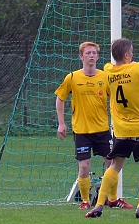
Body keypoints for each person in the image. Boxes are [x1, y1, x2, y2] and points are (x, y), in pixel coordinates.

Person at [85, 38, 139, 219]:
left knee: (115, 166)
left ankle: (99, 204)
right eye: (131, 52)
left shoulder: (108, 71)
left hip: (122, 129)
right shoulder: (138, 68)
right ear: (127, 56)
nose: (133, 55)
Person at [54, 42, 132, 210]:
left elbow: (115, 99)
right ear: (81, 56)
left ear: (97, 56)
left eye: (94, 53)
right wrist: (61, 123)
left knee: (111, 163)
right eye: (87, 53)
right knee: (84, 166)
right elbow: (60, 98)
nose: (91, 55)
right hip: (82, 131)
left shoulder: (104, 77)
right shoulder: (72, 78)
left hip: (103, 130)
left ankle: (113, 199)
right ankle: (85, 201)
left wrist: (120, 118)